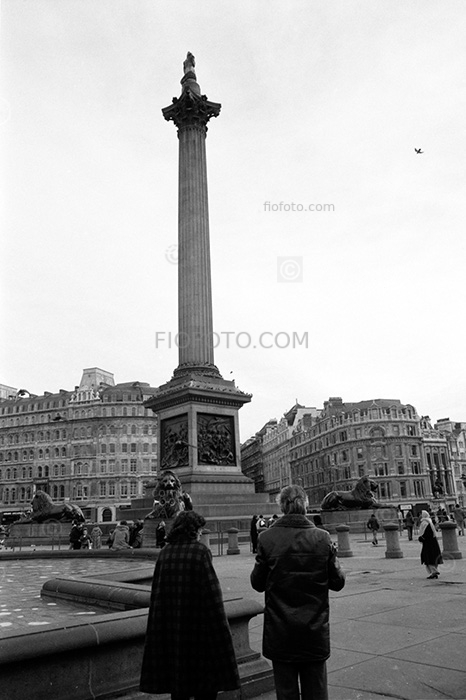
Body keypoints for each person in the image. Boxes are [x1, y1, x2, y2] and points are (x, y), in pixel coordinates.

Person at [251, 484, 345, 700]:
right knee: (316, 691)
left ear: (282, 506)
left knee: (286, 692)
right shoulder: (322, 538)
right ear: (305, 505)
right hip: (313, 629)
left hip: (281, 630)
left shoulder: (266, 538)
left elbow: (257, 583)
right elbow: (338, 582)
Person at [140, 510, 240, 700]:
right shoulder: (200, 552)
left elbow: (157, 595)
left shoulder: (164, 553)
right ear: (193, 530)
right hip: (198, 632)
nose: (201, 534)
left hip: (172, 630)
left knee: (178, 690)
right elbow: (212, 596)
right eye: (200, 530)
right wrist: (222, 631)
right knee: (205, 689)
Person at [419, 510, 443, 579]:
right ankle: (434, 571)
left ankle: (433, 571)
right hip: (433, 541)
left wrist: (421, 538)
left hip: (428, 543)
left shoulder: (424, 522)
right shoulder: (429, 521)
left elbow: (426, 533)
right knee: (433, 556)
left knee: (428, 557)